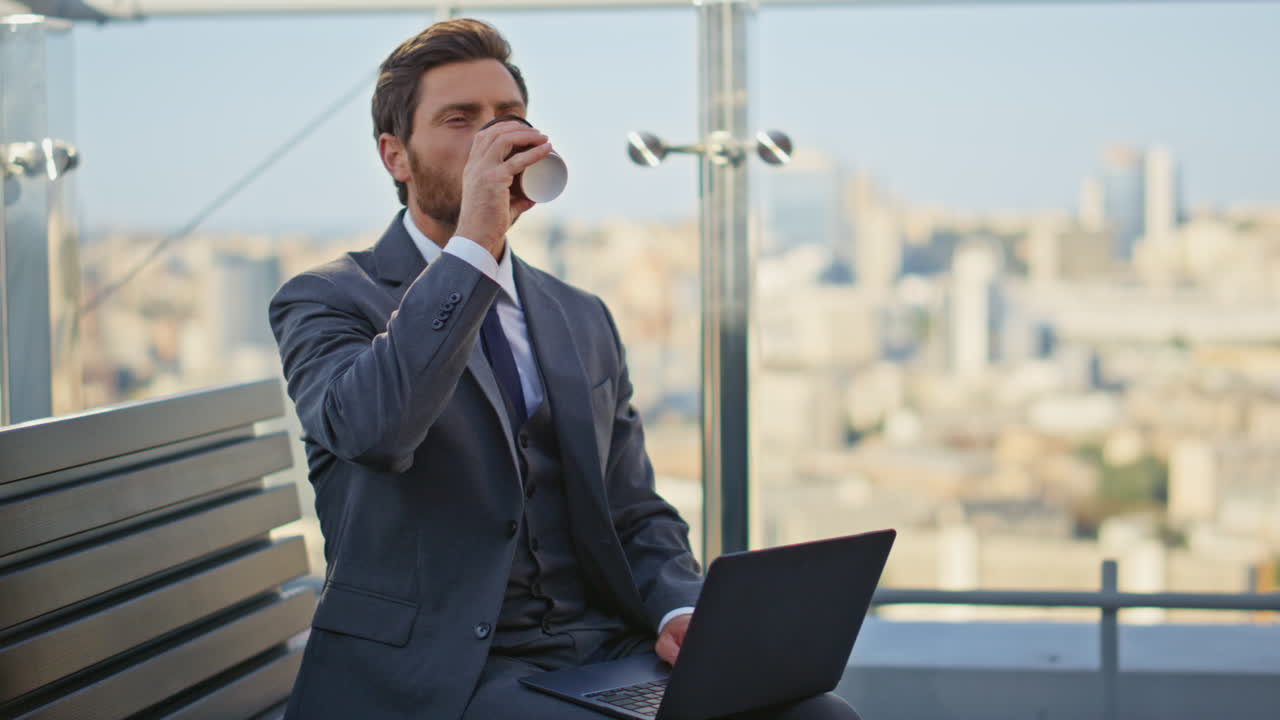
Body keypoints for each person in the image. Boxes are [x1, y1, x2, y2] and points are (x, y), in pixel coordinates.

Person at [269, 18, 862, 720]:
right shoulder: (327, 298)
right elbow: (377, 430)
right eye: (461, 120)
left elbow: (633, 507)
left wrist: (679, 606)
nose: (493, 138)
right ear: (396, 157)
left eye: (508, 118)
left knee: (821, 716)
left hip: (597, 650)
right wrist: (475, 245)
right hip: (437, 672)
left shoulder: (580, 315)